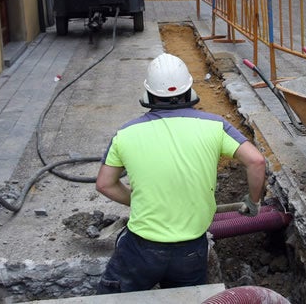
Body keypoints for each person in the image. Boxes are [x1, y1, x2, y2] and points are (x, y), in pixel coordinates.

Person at [95, 53, 267, 294]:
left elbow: (104, 184)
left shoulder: (125, 134)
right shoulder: (216, 126)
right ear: (189, 90)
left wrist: (141, 200)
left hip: (141, 249)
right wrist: (254, 201)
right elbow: (257, 162)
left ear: (149, 93)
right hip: (190, 251)